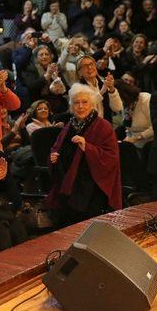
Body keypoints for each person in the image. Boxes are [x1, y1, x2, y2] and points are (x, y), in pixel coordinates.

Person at [47, 84, 121, 226]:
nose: (80, 106)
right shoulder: (69, 126)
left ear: (92, 104)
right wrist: (54, 157)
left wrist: (87, 147)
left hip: (92, 187)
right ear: (71, 106)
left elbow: (112, 158)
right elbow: (56, 148)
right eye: (76, 102)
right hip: (69, 184)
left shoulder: (103, 126)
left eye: (84, 102)